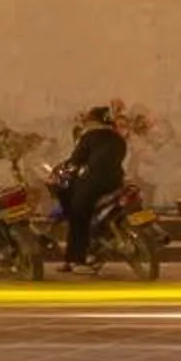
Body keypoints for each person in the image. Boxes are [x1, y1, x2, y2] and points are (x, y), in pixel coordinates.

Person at [60, 105, 128, 269]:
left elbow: (76, 159)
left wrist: (68, 168)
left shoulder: (90, 136)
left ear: (93, 120)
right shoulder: (118, 138)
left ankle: (76, 258)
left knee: (78, 214)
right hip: (116, 181)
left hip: (95, 182)